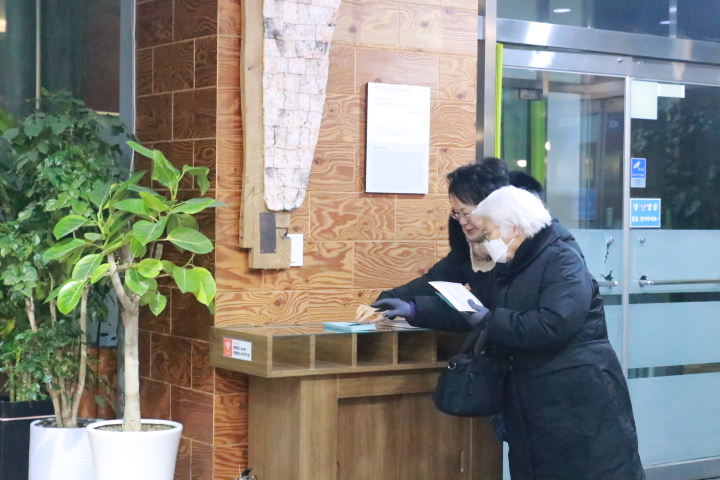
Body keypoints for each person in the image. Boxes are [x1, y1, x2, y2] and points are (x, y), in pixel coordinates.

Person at [372, 186, 645, 480]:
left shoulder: (562, 260)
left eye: (488, 232)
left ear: (513, 228)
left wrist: (490, 320)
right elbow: (474, 309)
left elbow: (552, 325)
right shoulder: (513, 266)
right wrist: (414, 309)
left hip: (578, 401)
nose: (486, 241)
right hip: (533, 402)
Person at [355, 159, 581, 322]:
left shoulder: (551, 248)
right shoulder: (473, 245)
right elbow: (439, 280)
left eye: (467, 213)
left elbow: (553, 321)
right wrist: (390, 302)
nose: (463, 222)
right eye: (456, 214)